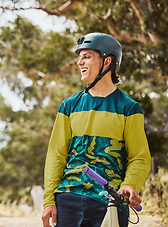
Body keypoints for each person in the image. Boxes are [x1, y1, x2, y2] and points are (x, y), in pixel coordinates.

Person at [41, 32, 151, 227]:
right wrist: (49, 200)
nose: (79, 62)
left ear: (107, 61)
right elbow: (56, 156)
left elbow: (139, 157)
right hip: (69, 198)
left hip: (110, 202)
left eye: (87, 56)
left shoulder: (129, 108)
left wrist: (130, 184)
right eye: (79, 57)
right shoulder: (69, 106)